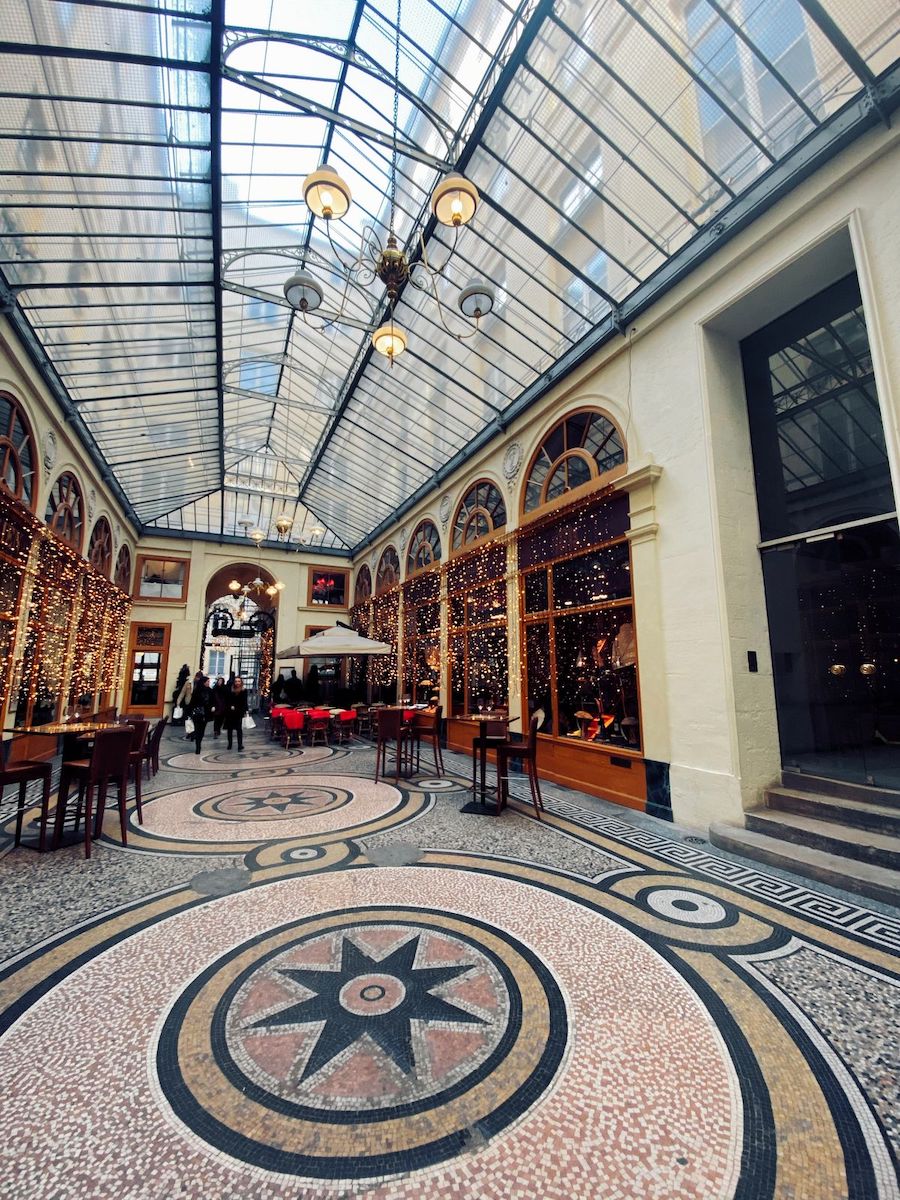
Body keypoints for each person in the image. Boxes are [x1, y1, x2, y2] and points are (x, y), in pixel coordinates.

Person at [185, 673, 213, 755]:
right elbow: (192, 702)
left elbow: (212, 701)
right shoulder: (197, 691)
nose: (208, 683)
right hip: (197, 714)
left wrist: (213, 707)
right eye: (207, 681)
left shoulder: (210, 691)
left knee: (202, 731)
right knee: (197, 729)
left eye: (209, 681)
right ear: (203, 682)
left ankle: (199, 740)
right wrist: (188, 713)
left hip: (206, 714)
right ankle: (198, 746)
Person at [224, 676, 249, 751]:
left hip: (239, 712)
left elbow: (245, 702)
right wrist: (230, 706)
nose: (237, 683)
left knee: (239, 729)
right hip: (230, 712)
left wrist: (246, 711)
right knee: (230, 729)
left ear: (241, 682)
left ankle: (240, 745)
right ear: (234, 682)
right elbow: (227, 700)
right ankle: (230, 744)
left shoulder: (244, 690)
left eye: (239, 681)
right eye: (236, 681)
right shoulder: (230, 690)